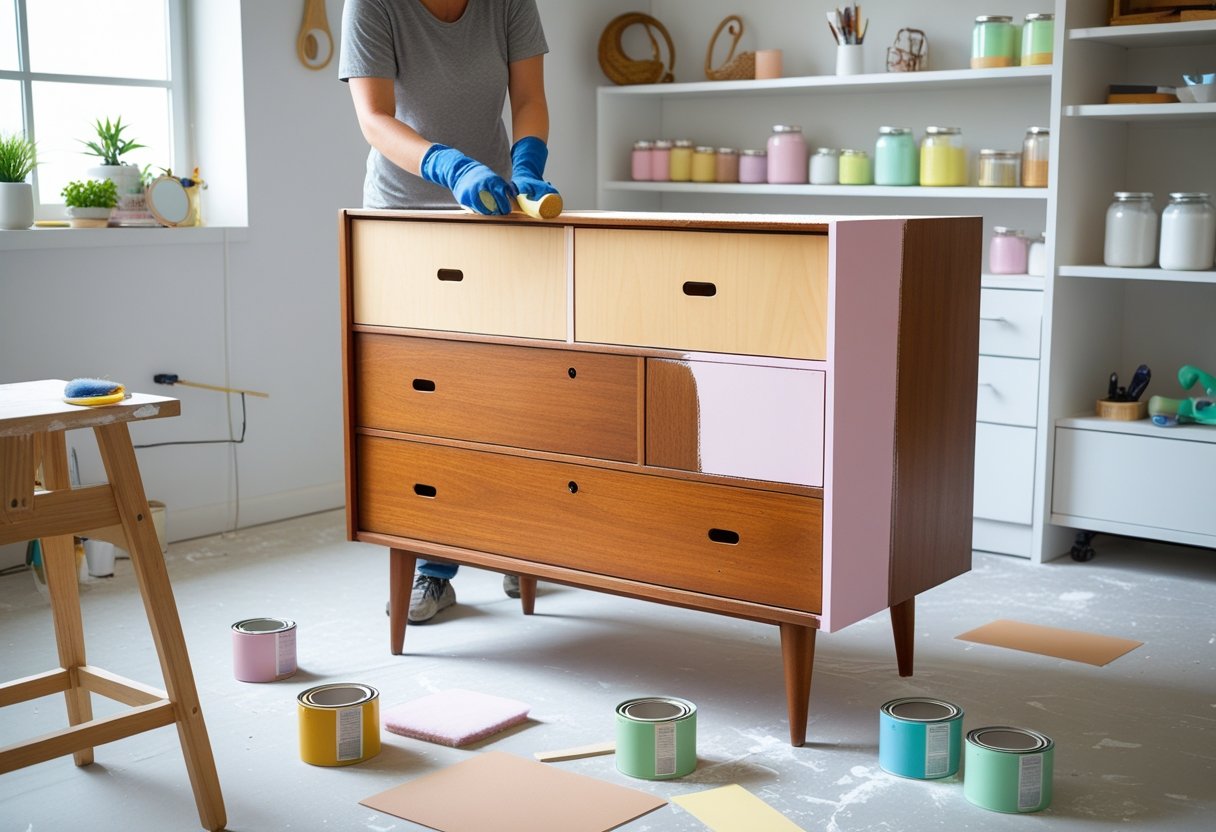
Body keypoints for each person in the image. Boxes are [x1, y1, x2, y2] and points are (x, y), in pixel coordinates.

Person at [339, 0, 558, 622]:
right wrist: (446, 164)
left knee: (510, 386)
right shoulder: (373, 5)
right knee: (428, 395)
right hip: (403, 220)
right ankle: (433, 562)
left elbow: (530, 98)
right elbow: (375, 118)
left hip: (489, 209)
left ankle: (515, 539)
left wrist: (527, 164)